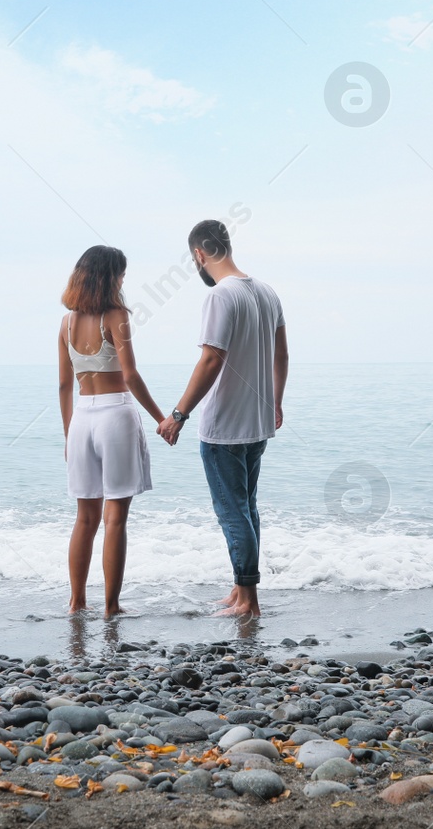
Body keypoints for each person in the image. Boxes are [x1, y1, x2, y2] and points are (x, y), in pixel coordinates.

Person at [158, 221, 287, 618]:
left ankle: (248, 600)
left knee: (233, 512)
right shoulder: (267, 292)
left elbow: (212, 358)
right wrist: (276, 403)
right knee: (246, 508)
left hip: (225, 427)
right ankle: (240, 590)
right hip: (258, 421)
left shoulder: (220, 296)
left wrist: (179, 413)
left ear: (199, 254)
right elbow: (281, 356)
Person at [57, 245, 165, 617]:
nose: (123, 281)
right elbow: (130, 375)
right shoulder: (116, 315)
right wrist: (160, 417)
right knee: (115, 517)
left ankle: (76, 602)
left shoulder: (66, 323)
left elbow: (64, 386)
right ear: (110, 277)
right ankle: (111, 606)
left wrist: (68, 435)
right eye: (121, 274)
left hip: (81, 420)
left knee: (84, 518)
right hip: (115, 413)